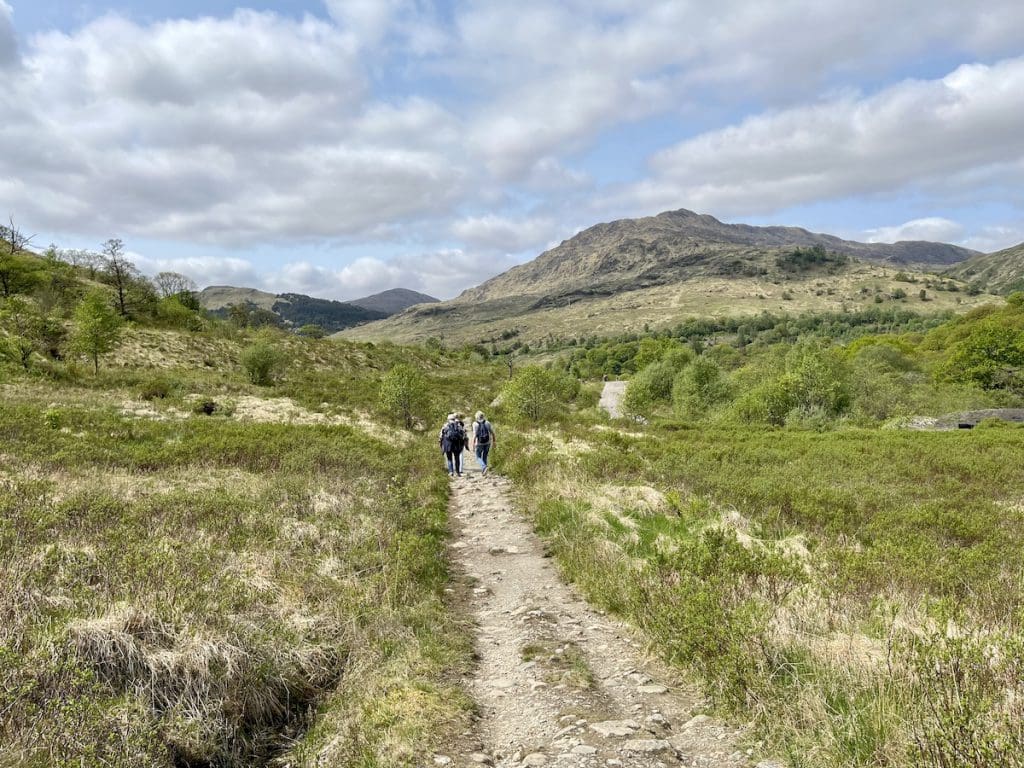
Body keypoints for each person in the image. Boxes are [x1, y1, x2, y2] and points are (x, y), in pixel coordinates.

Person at [471, 410, 495, 475]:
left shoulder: (475, 424)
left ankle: (484, 467)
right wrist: (494, 441)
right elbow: (492, 433)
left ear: (476, 417)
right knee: (485, 456)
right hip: (487, 442)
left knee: (478, 456)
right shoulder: (487, 422)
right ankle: (484, 470)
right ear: (483, 416)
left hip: (479, 443)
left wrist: (473, 444)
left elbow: (474, 435)